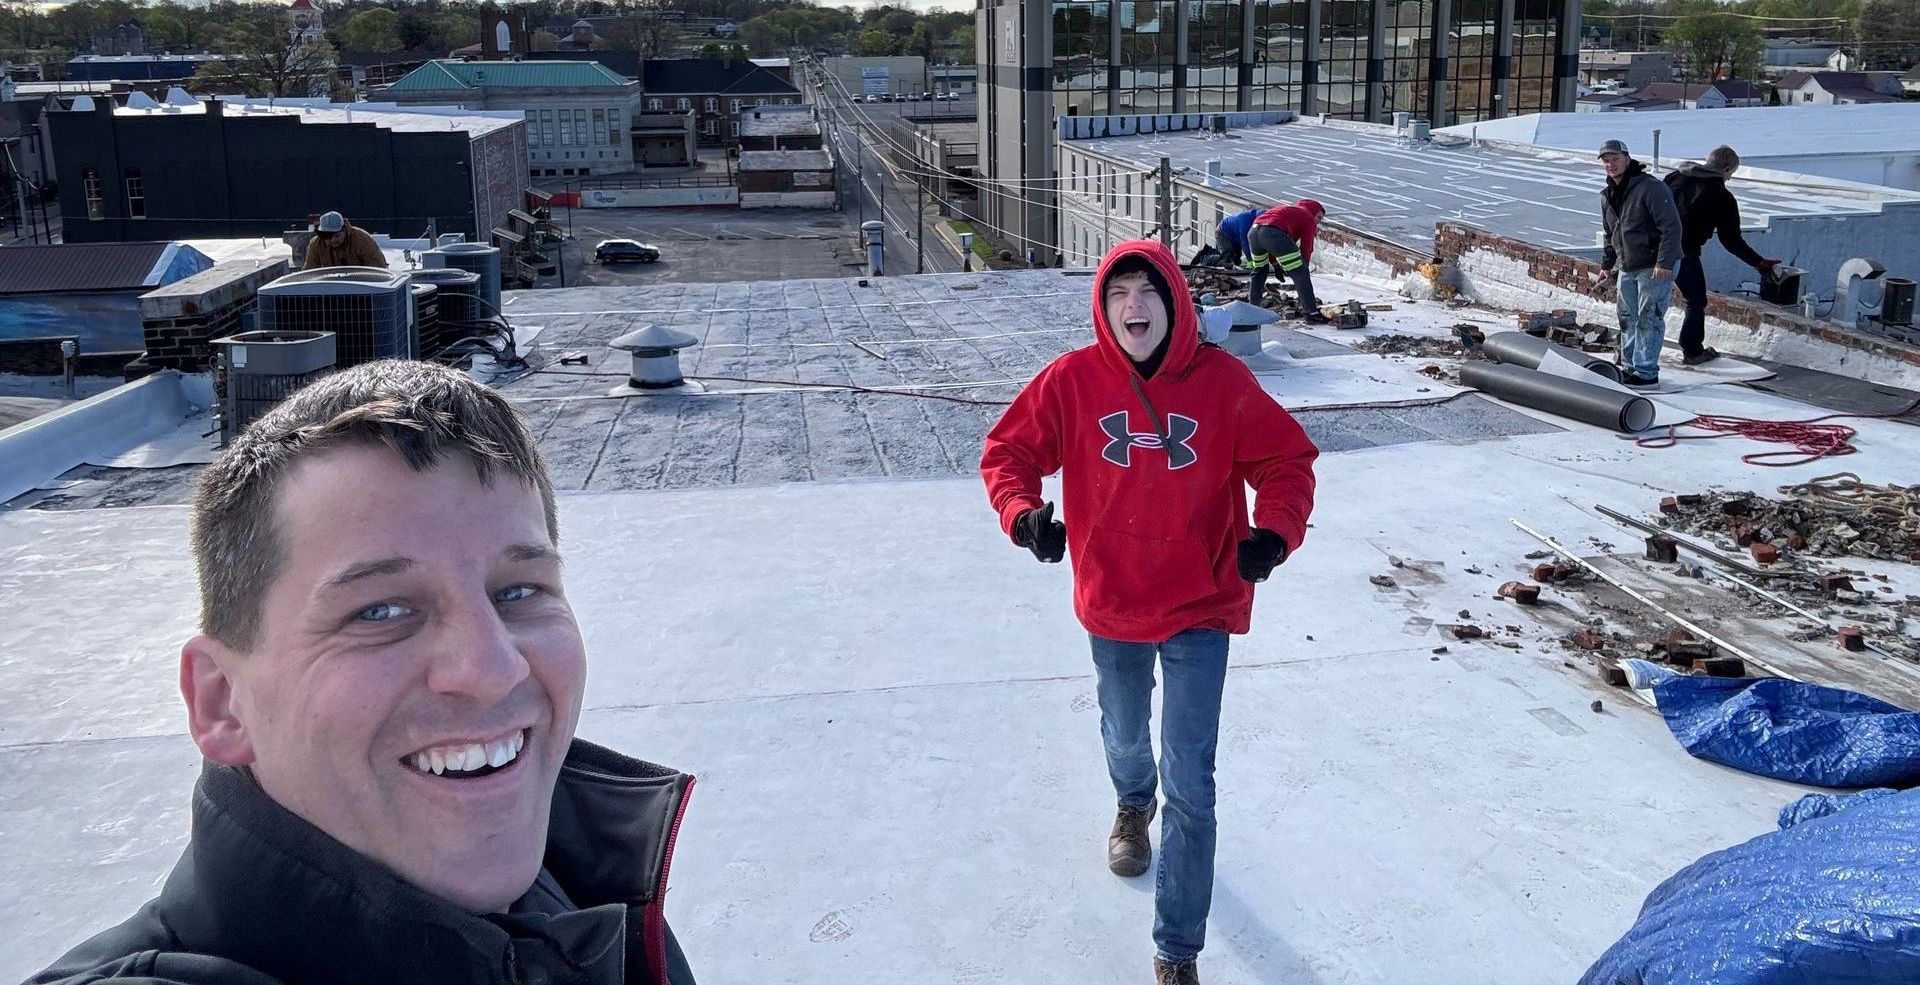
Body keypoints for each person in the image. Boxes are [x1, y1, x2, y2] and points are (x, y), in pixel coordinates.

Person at [28, 360, 698, 985]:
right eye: (381, 610)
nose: (491, 668)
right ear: (221, 703)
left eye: (519, 590)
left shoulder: (595, 904)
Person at [980, 240, 1319, 985]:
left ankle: (1176, 952)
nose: (1133, 306)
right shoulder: (1071, 381)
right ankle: (1131, 803)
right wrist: (1023, 514)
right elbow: (1007, 451)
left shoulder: (1222, 381)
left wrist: (1276, 530)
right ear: (1104, 310)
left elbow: (1286, 461)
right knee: (1126, 734)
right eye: (1117, 293)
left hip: (1203, 600)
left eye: (1147, 290)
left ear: (1175, 300)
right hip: (1113, 598)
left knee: (1192, 782)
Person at [1664, 145, 1782, 366]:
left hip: (1652, 248)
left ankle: (1627, 348)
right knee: (1696, 301)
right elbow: (1731, 240)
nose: (1730, 178)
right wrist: (1760, 263)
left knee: (1648, 301)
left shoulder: (1674, 178)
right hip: (1684, 253)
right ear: (1726, 168)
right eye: (1732, 173)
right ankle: (1692, 351)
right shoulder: (1722, 196)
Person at [1596, 139, 1683, 388]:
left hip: (1653, 265)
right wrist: (1607, 264)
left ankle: (1646, 373)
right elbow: (1610, 233)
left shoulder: (1650, 188)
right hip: (1628, 263)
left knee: (1649, 317)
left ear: (1627, 158)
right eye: (1606, 160)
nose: (1610, 164)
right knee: (1627, 317)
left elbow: (1672, 227)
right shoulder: (1609, 193)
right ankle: (1630, 367)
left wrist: (1664, 261)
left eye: (1614, 159)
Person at [1248, 198, 1327, 324]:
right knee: (1301, 273)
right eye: (1319, 217)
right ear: (1313, 211)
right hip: (1273, 233)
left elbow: (1280, 246)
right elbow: (1307, 247)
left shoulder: (1291, 211)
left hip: (1254, 232)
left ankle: (1252, 310)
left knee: (1259, 271)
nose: (1318, 221)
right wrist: (1303, 267)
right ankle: (1311, 314)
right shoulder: (1308, 218)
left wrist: (1275, 264)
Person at [304, 210, 387, 269]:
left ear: (344, 230)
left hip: (362, 285)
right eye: (328, 237)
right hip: (330, 286)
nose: (333, 240)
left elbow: (379, 267)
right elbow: (309, 271)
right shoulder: (316, 243)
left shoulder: (362, 239)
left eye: (337, 236)